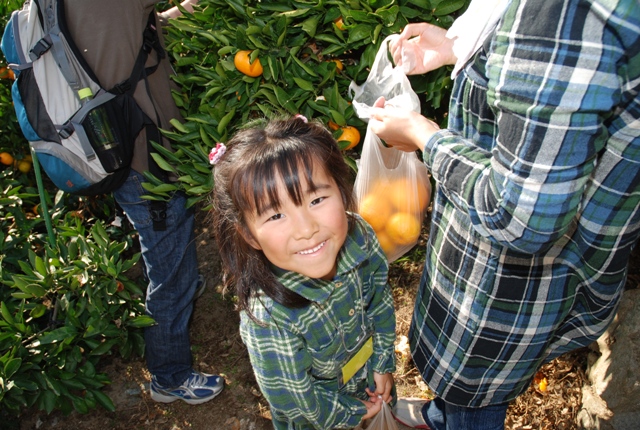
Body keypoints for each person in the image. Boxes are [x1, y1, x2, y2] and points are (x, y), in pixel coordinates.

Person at [368, 0, 640, 428]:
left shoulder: (566, 11)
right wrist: (463, 47)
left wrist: (425, 136)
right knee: (463, 387)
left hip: (506, 276)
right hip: (538, 254)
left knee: (474, 382)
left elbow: (519, 217)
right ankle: (441, 417)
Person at [64, 0, 224, 404]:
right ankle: (169, 377)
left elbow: (123, 39)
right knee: (170, 274)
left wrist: (174, 15)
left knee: (173, 252)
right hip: (145, 160)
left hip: (123, 150)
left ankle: (182, 288)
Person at [210, 116, 397, 429]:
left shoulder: (360, 236)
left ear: (342, 191)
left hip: (372, 384)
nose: (306, 229)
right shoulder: (270, 317)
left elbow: (380, 301)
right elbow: (294, 400)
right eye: (276, 215)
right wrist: (352, 412)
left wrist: (382, 362)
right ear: (250, 235)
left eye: (317, 199)